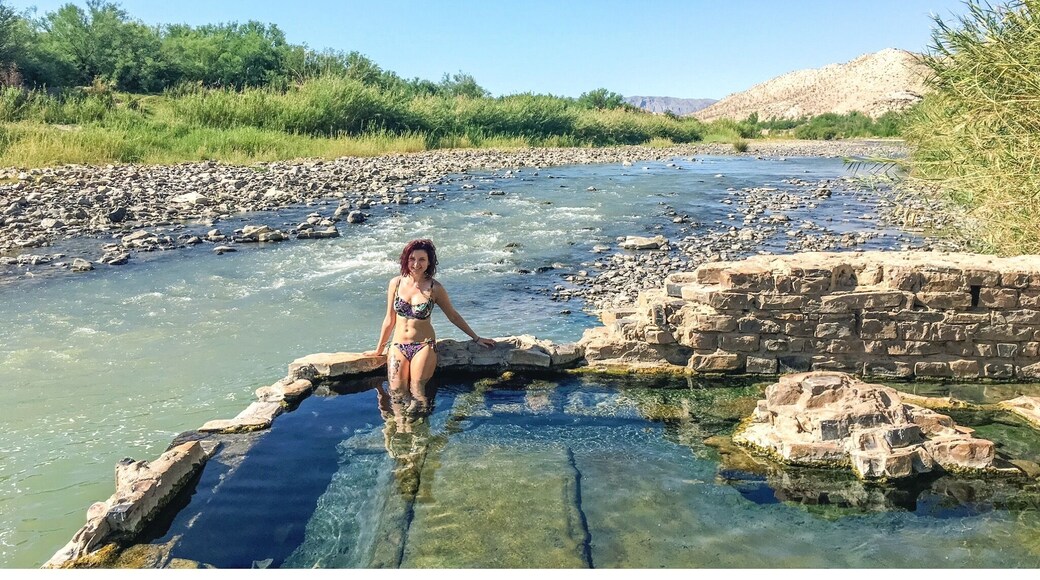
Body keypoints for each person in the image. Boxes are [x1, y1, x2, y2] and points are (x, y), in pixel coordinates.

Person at [364, 239, 495, 413]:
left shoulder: (435, 288)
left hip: (423, 345)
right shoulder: (395, 283)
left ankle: (419, 433)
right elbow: (389, 319)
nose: (416, 264)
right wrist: (378, 350)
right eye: (412, 259)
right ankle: (398, 429)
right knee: (396, 391)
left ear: (429, 262)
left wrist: (476, 338)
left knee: (417, 389)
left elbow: (453, 315)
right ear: (405, 260)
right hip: (398, 345)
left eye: (422, 259)